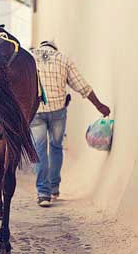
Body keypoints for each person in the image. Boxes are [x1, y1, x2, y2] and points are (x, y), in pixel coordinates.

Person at [31, 40, 110, 207]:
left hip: (36, 111)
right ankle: (53, 188)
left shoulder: (31, 57)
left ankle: (43, 193)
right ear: (54, 48)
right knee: (56, 147)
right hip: (58, 111)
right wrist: (99, 105)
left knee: (39, 149)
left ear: (41, 46)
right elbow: (82, 86)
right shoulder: (63, 59)